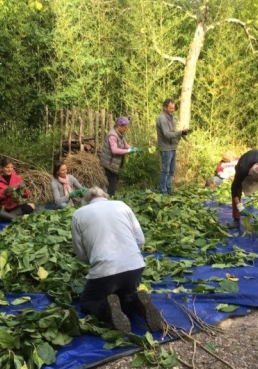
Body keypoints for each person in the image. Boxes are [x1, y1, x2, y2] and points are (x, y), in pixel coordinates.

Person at [71, 186, 162, 333]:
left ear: (86, 201)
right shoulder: (122, 205)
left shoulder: (79, 214)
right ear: (105, 196)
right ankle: (137, 302)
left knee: (88, 302)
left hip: (104, 270)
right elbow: (140, 240)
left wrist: (96, 262)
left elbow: (80, 253)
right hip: (135, 266)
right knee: (124, 296)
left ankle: (106, 309)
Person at [229, 149, 258, 229]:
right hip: (245, 161)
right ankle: (236, 219)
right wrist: (239, 206)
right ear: (249, 173)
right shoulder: (242, 168)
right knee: (237, 189)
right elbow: (234, 188)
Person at [100, 116, 140, 196]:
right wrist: (128, 151)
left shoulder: (120, 134)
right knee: (113, 183)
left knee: (115, 181)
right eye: (125, 127)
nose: (126, 129)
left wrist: (133, 148)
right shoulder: (113, 136)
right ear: (119, 126)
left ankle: (108, 197)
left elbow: (125, 145)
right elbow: (114, 150)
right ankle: (110, 199)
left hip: (114, 164)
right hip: (109, 164)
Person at [156, 98, 189, 194]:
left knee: (172, 170)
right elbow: (167, 134)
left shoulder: (171, 117)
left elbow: (173, 132)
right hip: (166, 148)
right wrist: (180, 132)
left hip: (173, 147)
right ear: (165, 107)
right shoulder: (162, 118)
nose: (172, 110)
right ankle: (163, 191)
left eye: (173, 108)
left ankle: (169, 188)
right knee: (165, 170)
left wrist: (182, 133)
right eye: (170, 108)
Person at [0, 157, 35, 222]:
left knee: (30, 206)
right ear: (2, 168)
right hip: (1, 208)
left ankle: (3, 218)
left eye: (11, 167)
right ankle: (16, 218)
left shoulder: (17, 178)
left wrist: (24, 189)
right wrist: (4, 192)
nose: (10, 169)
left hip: (14, 208)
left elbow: (26, 196)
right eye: (7, 167)